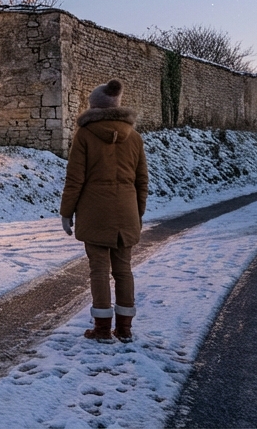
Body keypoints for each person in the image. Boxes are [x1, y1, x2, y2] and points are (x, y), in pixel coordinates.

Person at [60, 79, 148, 343]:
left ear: (94, 106)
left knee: (98, 269)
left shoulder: (85, 135)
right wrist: (137, 212)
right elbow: (142, 181)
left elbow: (75, 179)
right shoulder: (134, 137)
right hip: (127, 212)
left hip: (95, 212)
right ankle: (124, 329)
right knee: (124, 270)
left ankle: (101, 329)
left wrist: (67, 212)